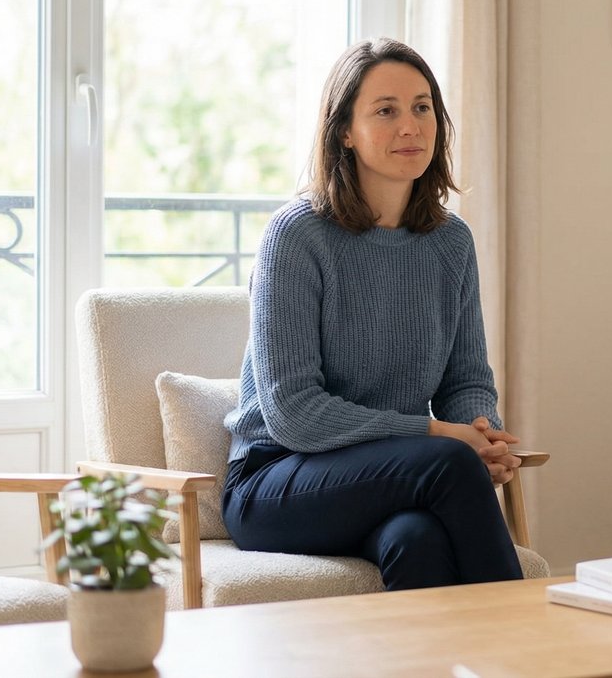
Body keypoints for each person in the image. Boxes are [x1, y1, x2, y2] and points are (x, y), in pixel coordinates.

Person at [221, 37, 525, 590]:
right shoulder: (297, 237)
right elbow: (294, 413)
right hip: (276, 482)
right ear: (345, 131)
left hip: (397, 480)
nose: (410, 126)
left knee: (418, 542)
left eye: (422, 107)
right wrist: (439, 435)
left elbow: (467, 380)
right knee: (449, 464)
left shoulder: (450, 241)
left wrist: (484, 434)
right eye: (385, 111)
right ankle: (531, 659)